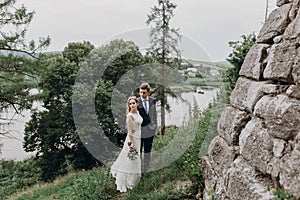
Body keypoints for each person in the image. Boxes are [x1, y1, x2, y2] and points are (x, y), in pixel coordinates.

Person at [110, 96, 143, 193]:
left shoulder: (138, 113)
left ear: (137, 103)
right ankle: (127, 181)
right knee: (130, 159)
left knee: (135, 158)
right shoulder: (130, 116)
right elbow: (129, 131)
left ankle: (134, 178)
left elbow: (137, 126)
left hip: (138, 137)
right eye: (130, 103)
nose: (132, 105)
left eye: (133, 103)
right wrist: (131, 143)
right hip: (132, 139)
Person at [137, 83, 157, 172]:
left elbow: (154, 114)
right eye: (141, 92)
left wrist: (154, 125)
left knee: (148, 151)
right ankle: (139, 168)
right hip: (140, 130)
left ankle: (146, 169)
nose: (142, 94)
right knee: (139, 150)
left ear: (148, 92)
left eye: (144, 92)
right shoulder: (136, 102)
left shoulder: (153, 100)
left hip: (150, 130)